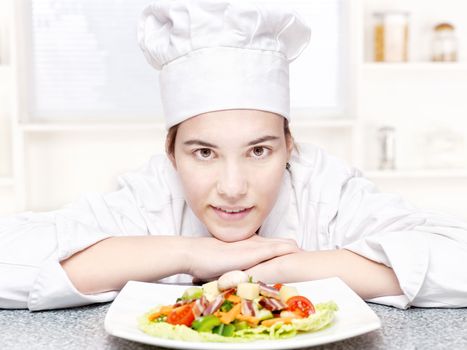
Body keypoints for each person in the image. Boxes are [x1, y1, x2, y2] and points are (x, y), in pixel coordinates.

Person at [1, 0, 467, 311]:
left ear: (289, 146)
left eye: (259, 150)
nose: (232, 186)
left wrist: (284, 267)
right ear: (171, 154)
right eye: (203, 152)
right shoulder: (149, 195)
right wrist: (189, 254)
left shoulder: (325, 187)